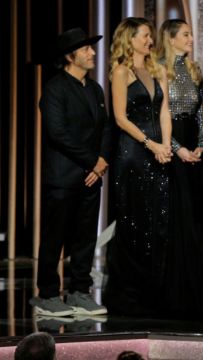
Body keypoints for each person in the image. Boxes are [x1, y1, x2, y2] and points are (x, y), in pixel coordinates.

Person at [32, 27, 110, 317]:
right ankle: (47, 295)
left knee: (86, 238)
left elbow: (106, 127)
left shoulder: (95, 88)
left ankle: (79, 292)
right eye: (86, 48)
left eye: (91, 47)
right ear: (69, 56)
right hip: (64, 177)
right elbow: (58, 133)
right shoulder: (55, 88)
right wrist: (94, 162)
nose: (92, 52)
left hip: (91, 177)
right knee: (55, 236)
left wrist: (101, 160)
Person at [104, 17, 173, 316]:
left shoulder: (157, 70)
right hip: (133, 154)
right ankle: (129, 294)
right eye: (144, 36)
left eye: (149, 36)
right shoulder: (121, 72)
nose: (149, 40)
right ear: (129, 39)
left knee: (158, 221)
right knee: (134, 221)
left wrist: (166, 145)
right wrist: (151, 144)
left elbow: (165, 111)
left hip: (158, 151)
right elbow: (120, 118)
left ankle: (154, 290)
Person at [156, 18, 203, 318]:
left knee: (196, 216)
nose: (191, 39)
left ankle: (195, 289)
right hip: (172, 142)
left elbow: (200, 111)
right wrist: (178, 150)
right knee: (178, 216)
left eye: (191, 34)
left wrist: (200, 144)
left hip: (194, 147)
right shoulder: (159, 68)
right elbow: (160, 114)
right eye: (186, 35)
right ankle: (173, 292)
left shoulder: (193, 69)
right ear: (171, 38)